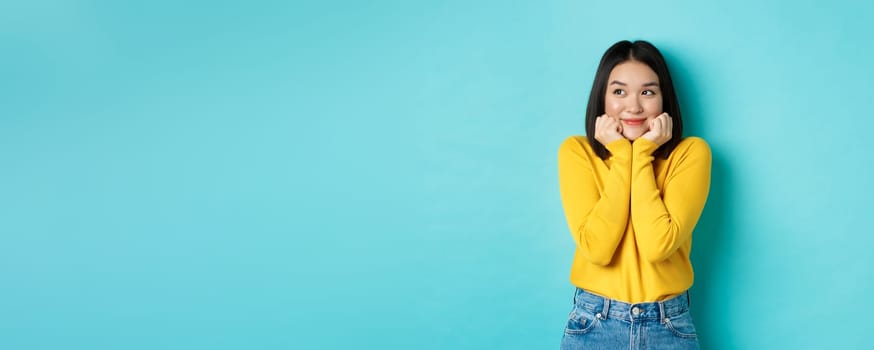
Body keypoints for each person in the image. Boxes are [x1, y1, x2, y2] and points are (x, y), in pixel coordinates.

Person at [557, 40, 711, 350]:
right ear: (602, 98)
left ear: (663, 98)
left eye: (648, 92)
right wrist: (621, 153)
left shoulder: (690, 154)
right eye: (619, 91)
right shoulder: (577, 152)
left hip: (668, 326)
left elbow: (658, 245)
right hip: (594, 323)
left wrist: (641, 152)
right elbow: (597, 250)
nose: (634, 106)